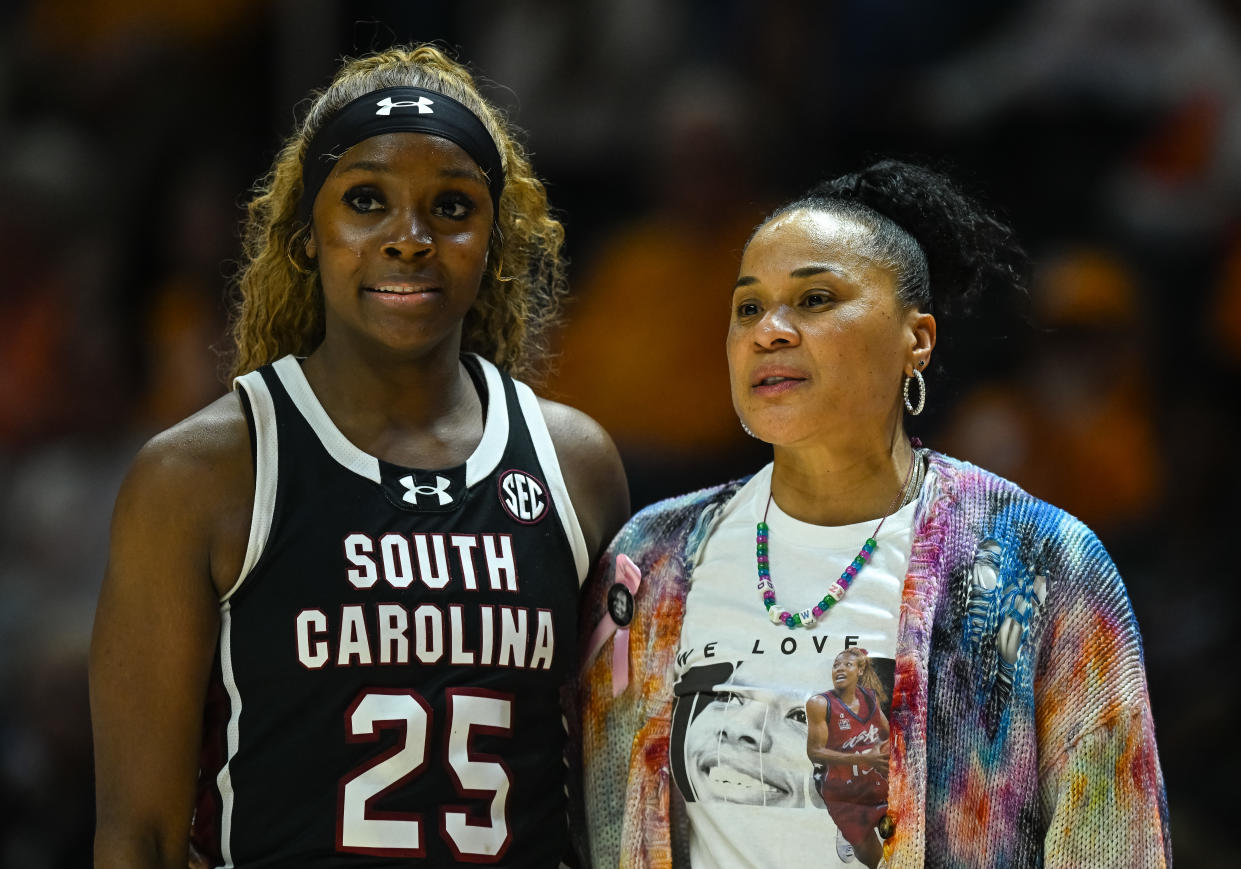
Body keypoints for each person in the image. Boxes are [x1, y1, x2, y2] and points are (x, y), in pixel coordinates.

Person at [90, 44, 629, 868]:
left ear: (494, 238)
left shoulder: (575, 464)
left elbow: (613, 800)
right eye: (366, 200)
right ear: (308, 234)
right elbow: (141, 834)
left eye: (452, 207)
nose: (409, 239)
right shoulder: (199, 474)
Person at [578, 160, 1170, 868]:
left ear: (915, 338)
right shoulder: (651, 561)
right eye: (747, 306)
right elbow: (600, 824)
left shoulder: (1039, 563)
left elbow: (1117, 844)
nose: (769, 329)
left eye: (815, 298)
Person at [806, 648, 891, 869]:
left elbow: (888, 733)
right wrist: (863, 759)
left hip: (875, 784)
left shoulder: (870, 698)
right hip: (843, 795)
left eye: (847, 665)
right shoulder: (819, 704)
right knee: (879, 864)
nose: (840, 668)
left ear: (860, 670)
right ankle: (846, 830)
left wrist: (887, 752)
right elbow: (814, 752)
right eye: (836, 665)